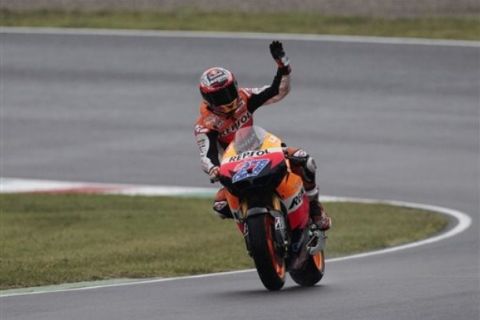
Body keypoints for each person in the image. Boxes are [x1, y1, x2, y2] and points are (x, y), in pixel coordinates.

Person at [194, 41, 331, 231]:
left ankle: (315, 208)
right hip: (234, 165)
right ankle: (252, 232)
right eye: (219, 97)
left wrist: (283, 67)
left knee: (304, 160)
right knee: (220, 206)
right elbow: (206, 155)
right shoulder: (205, 125)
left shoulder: (245, 97)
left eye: (228, 92)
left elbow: (277, 91)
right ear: (208, 100)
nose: (227, 99)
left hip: (263, 149)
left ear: (235, 86)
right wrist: (214, 169)